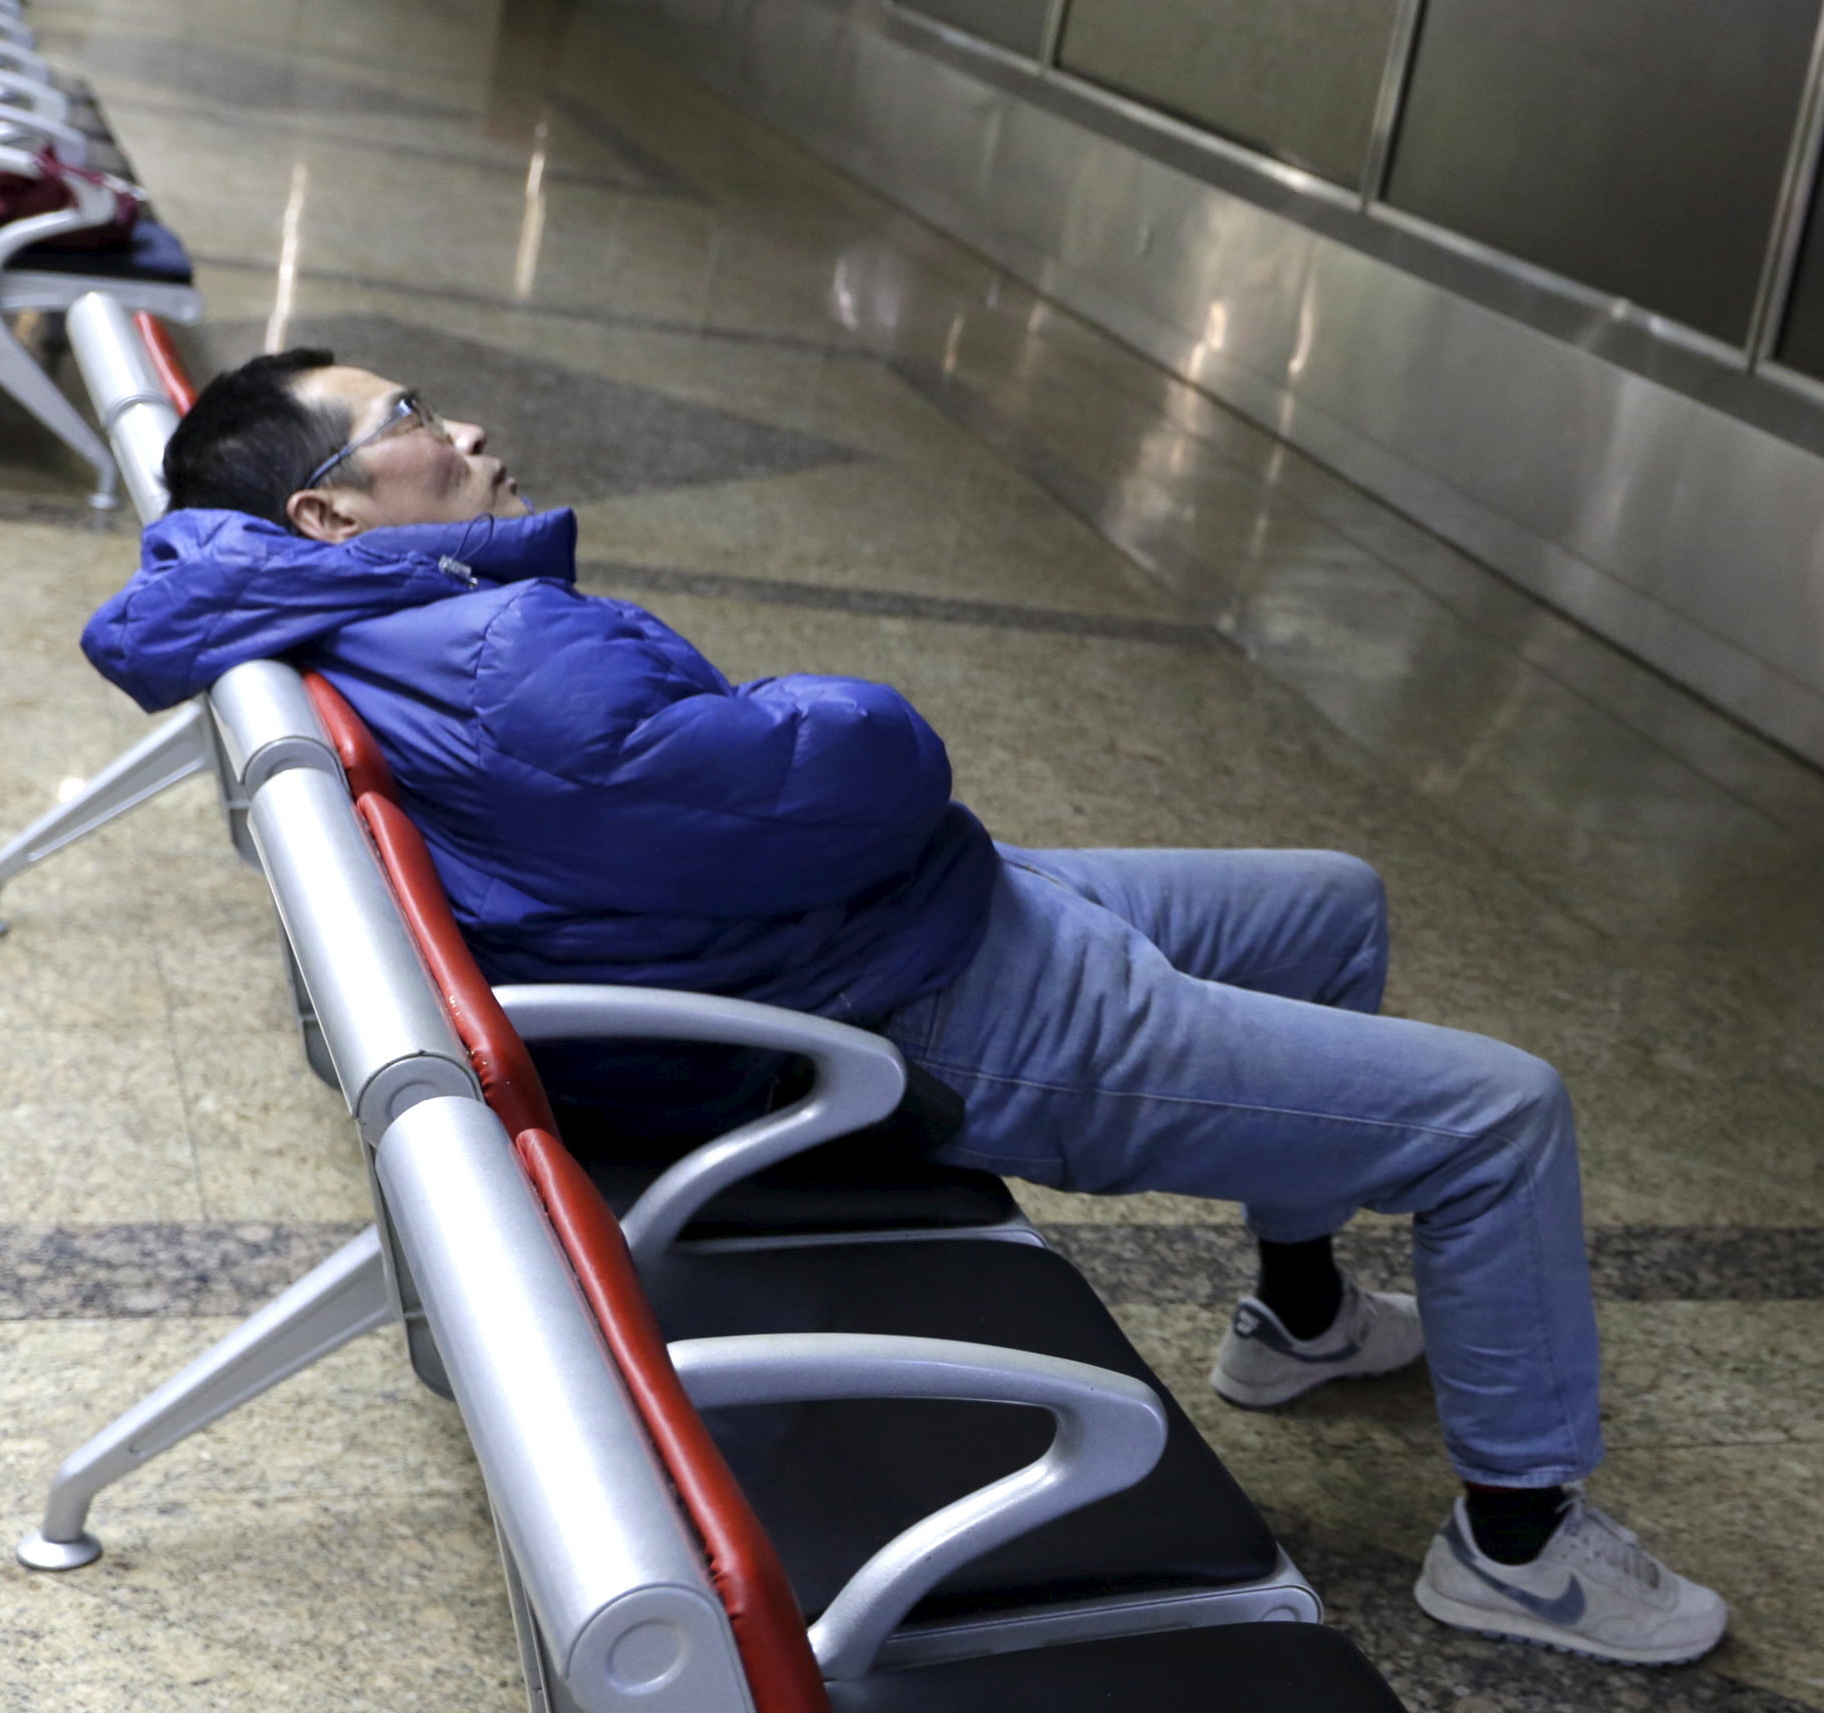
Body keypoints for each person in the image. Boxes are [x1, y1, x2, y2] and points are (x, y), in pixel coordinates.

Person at [84, 349, 1729, 1668]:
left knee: (1329, 902)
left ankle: (1301, 1317)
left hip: (904, 919)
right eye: (411, 418)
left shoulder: (367, 621)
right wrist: (844, 699)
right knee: (1497, 1115)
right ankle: (1517, 1555)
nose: (466, 429)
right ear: (326, 511)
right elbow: (845, 772)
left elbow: (726, 802)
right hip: (927, 1001)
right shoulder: (496, 653)